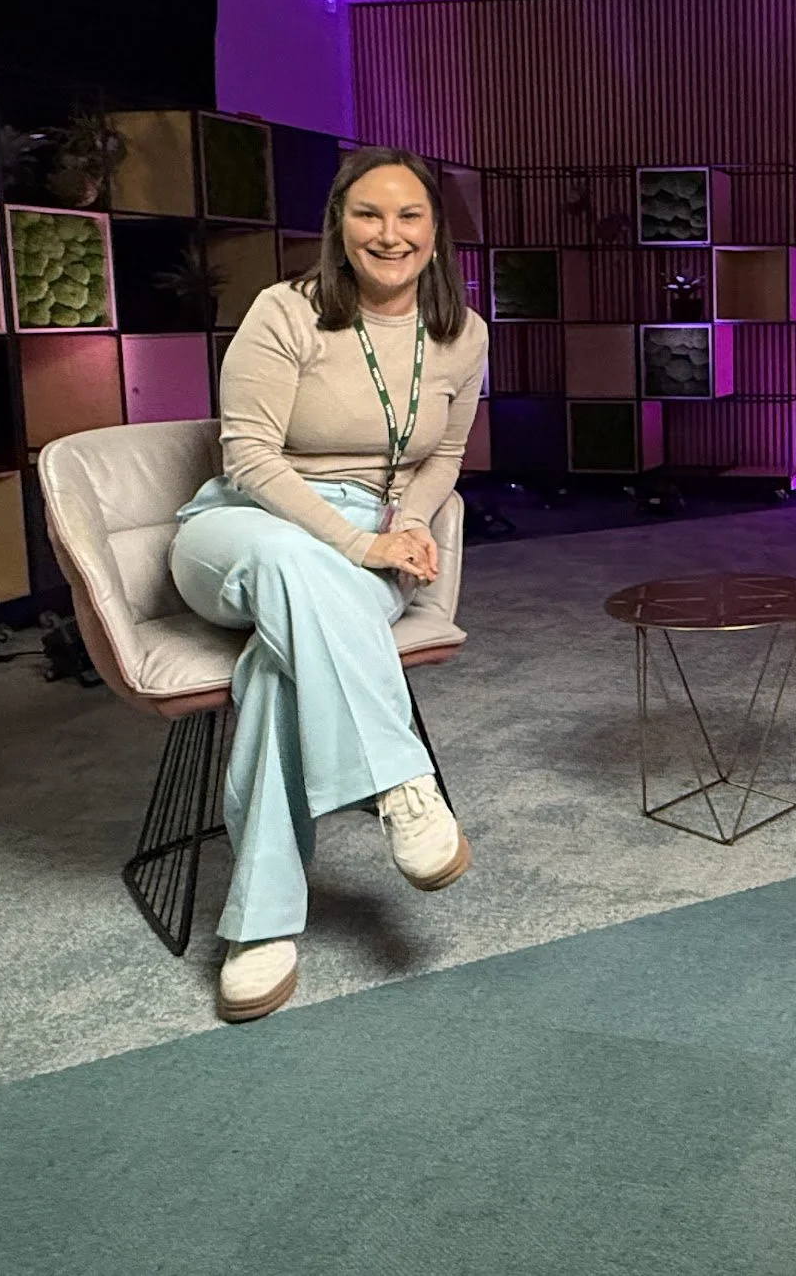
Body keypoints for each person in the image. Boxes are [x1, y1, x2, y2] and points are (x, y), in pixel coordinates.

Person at [170, 146, 488, 1023]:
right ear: (338, 226)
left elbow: (446, 454)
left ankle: (260, 925)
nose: (390, 234)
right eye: (368, 214)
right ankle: (400, 783)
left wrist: (408, 524)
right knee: (291, 565)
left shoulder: (462, 332)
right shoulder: (286, 311)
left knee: (280, 671)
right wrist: (358, 544)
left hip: (375, 538)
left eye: (409, 215)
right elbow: (248, 456)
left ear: (436, 232)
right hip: (244, 527)